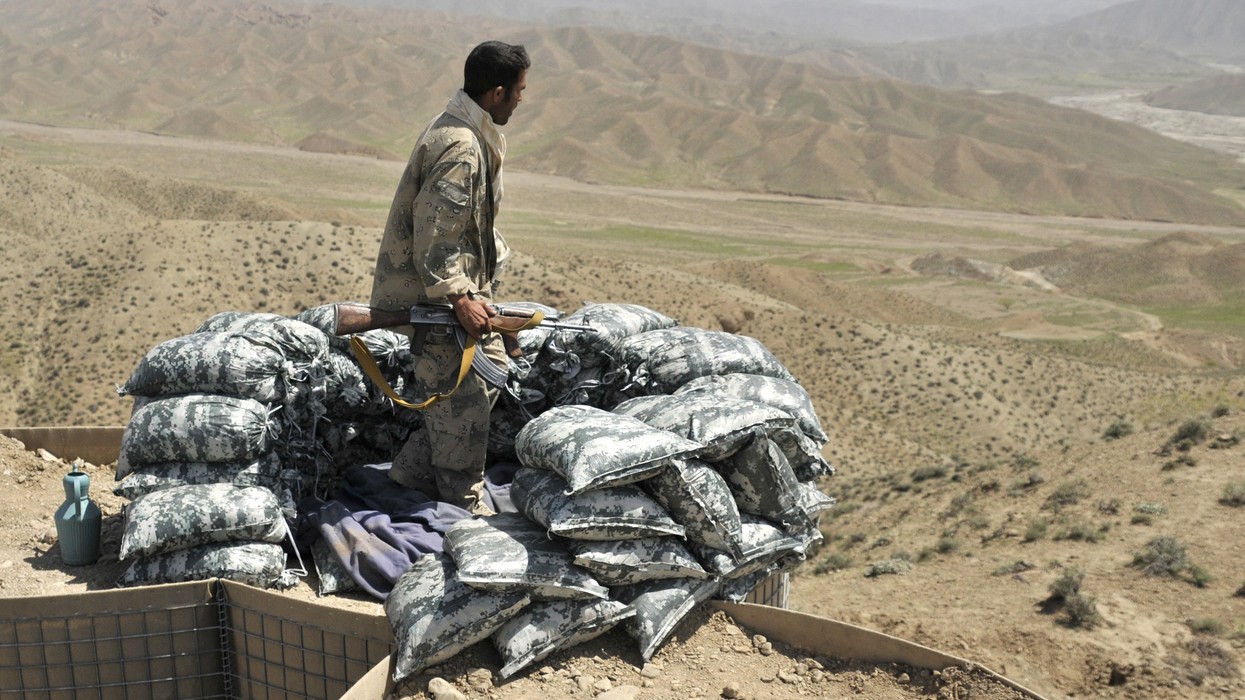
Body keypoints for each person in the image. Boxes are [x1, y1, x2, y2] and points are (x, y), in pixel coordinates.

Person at [369, 40, 530, 514]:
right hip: (436, 302)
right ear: (497, 92)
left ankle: (411, 477)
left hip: (457, 293)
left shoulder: (467, 133)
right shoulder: (461, 145)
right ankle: (463, 512)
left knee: (491, 374)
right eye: (519, 91)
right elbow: (435, 232)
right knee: (465, 404)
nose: (522, 99)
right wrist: (459, 297)